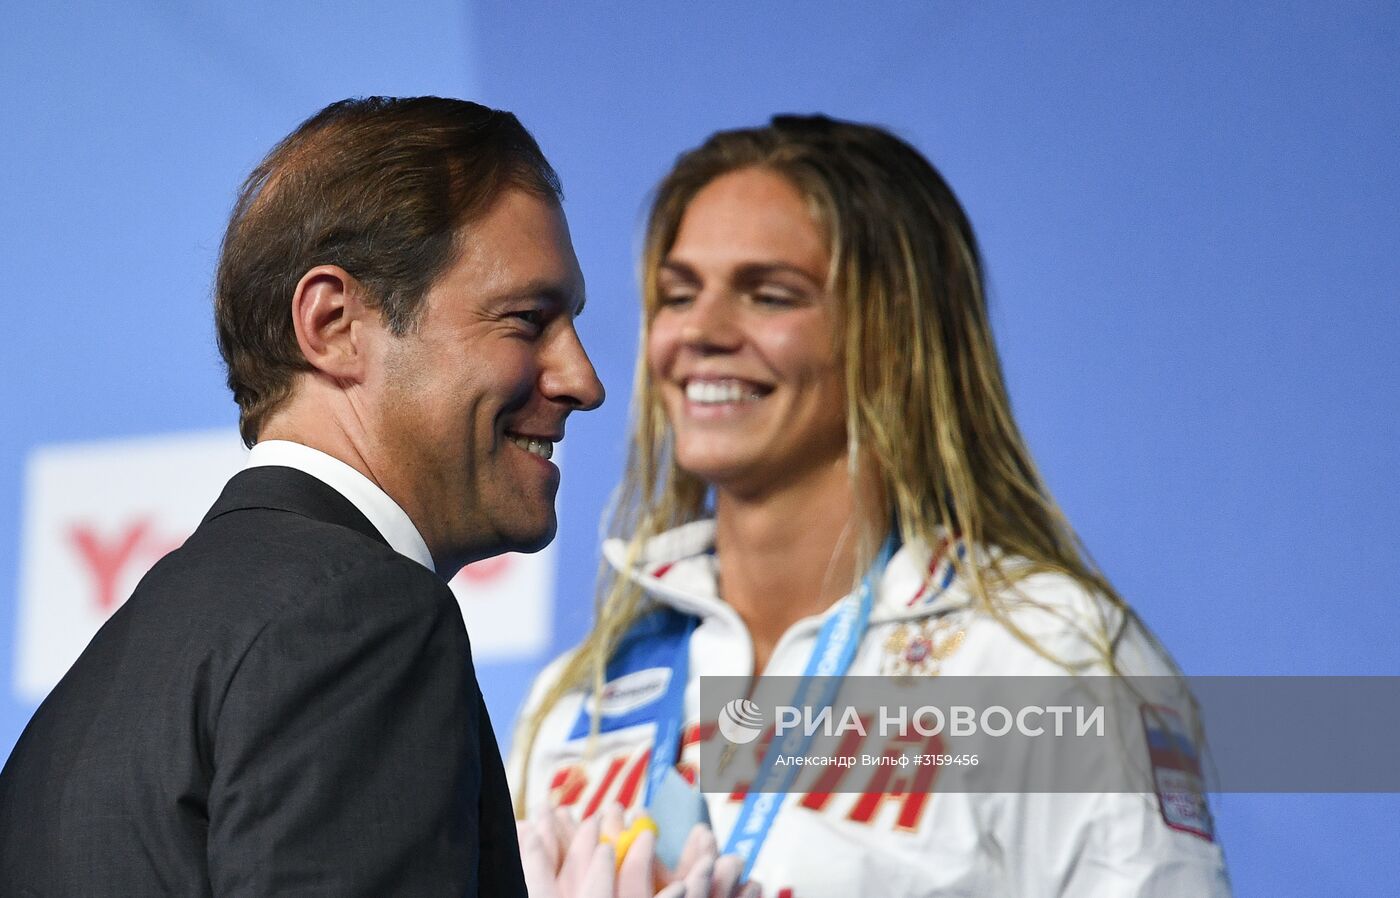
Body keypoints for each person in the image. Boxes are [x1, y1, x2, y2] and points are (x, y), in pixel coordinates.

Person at [510, 115, 1232, 896]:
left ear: (895, 335)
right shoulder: (579, 702)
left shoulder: (1048, 658)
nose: (702, 332)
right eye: (678, 295)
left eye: (770, 295)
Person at [0, 96, 603, 896]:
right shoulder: (361, 618)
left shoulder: (88, 703)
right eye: (528, 320)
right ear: (333, 322)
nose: (584, 382)